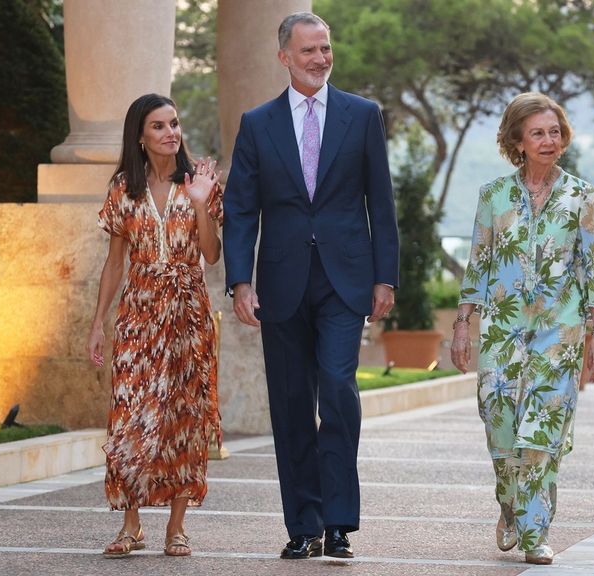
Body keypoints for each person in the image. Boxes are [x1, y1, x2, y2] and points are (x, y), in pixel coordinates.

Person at [222, 12, 399, 560]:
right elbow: (241, 208)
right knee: (292, 402)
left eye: (325, 48)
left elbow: (381, 202)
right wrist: (240, 281)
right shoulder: (257, 123)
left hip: (346, 282)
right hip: (281, 282)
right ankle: (303, 525)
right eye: (308, 51)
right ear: (284, 57)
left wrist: (384, 276)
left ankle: (339, 522)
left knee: (339, 390)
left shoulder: (363, 115)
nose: (320, 58)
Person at [451, 92, 594, 566]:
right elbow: (478, 263)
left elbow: (592, 266)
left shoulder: (581, 196)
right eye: (538, 132)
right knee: (500, 428)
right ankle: (509, 501)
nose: (548, 140)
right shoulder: (493, 196)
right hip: (502, 333)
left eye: (555, 131)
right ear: (517, 140)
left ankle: (536, 531)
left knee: (540, 435)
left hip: (558, 336)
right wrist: (463, 326)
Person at [87, 93, 223, 559]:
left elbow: (211, 254)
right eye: (159, 127)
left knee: (184, 418)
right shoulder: (124, 188)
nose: (171, 133)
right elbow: (113, 264)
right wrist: (97, 324)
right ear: (140, 137)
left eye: (175, 124)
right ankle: (131, 526)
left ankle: (177, 528)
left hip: (188, 314)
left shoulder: (198, 182)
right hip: (139, 315)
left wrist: (203, 204)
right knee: (129, 417)